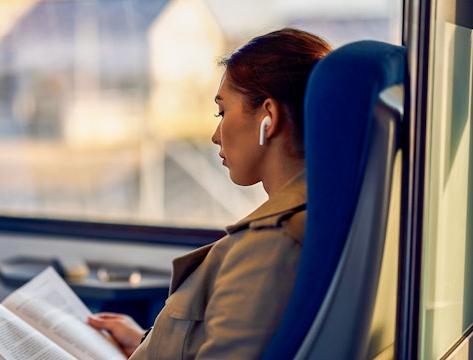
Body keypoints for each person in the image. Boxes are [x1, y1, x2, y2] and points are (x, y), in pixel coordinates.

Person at [87, 27, 333, 359]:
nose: (216, 135)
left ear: (268, 118)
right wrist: (147, 343)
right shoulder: (328, 215)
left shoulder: (268, 246)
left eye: (222, 112)